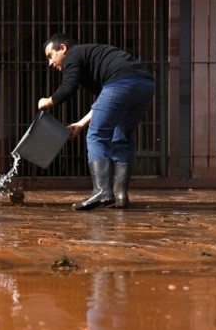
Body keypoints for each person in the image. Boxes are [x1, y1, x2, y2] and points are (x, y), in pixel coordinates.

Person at [38, 34, 155, 210]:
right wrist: (80, 124)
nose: (50, 63)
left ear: (63, 48)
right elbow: (106, 99)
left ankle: (102, 191)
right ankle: (121, 195)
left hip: (121, 83)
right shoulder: (91, 59)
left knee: (96, 135)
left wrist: (48, 101)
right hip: (145, 85)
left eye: (50, 56)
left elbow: (69, 88)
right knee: (121, 137)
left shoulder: (73, 55)